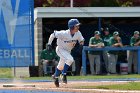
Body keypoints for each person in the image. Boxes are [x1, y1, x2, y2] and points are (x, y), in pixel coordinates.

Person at [47, 19, 84, 87]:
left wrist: (81, 45)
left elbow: (81, 40)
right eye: (76, 26)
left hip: (67, 51)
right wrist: (49, 44)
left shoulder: (78, 33)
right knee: (70, 59)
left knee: (61, 66)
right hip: (60, 49)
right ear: (72, 27)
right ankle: (63, 74)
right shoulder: (64, 33)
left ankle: (55, 76)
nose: (78, 27)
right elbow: (53, 35)